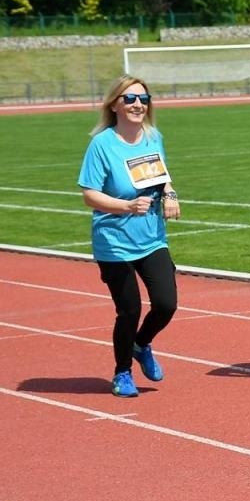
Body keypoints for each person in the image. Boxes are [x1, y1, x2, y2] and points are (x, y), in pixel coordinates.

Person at [77, 76, 181, 398]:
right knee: (130, 310)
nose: (138, 104)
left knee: (166, 303)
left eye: (143, 98)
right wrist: (126, 206)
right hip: (114, 243)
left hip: (151, 238)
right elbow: (90, 195)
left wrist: (171, 193)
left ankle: (141, 343)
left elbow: (161, 177)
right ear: (114, 104)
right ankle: (122, 372)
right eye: (130, 98)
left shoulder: (153, 137)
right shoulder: (101, 145)